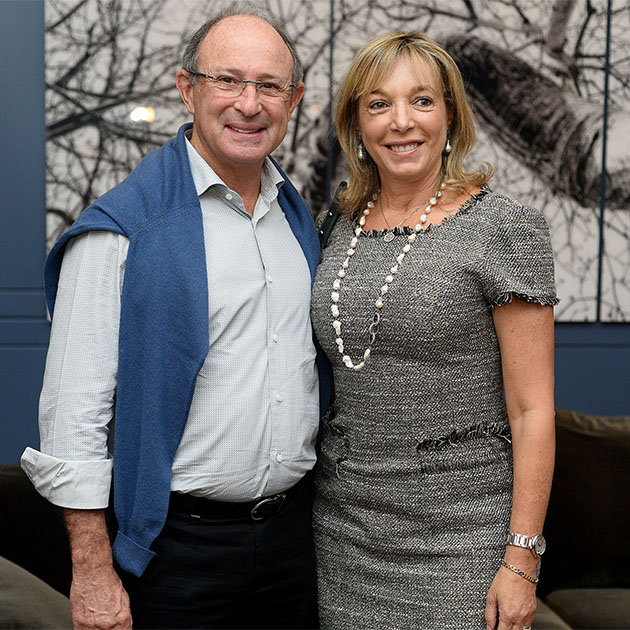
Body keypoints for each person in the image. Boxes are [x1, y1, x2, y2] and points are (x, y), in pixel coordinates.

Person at [21, 5, 331, 630]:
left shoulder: (298, 221)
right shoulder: (122, 229)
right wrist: (92, 570)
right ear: (188, 89)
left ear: (293, 100)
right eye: (228, 80)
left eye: (269, 86)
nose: (249, 104)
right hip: (175, 551)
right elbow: (73, 417)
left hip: (297, 542)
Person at [311, 31, 557, 630]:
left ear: (450, 115)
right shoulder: (334, 227)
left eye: (421, 101)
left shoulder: (504, 229)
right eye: (379, 104)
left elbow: (532, 412)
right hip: (343, 535)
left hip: (462, 539)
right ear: (357, 124)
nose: (402, 122)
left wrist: (522, 559)